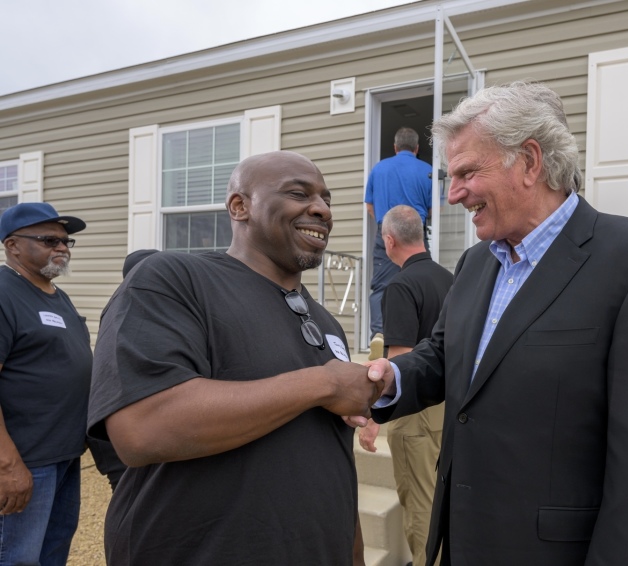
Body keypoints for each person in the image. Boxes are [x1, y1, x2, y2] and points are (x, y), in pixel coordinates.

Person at [361, 82, 628, 565]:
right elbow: (444, 357)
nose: (454, 194)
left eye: (466, 173)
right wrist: (388, 379)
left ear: (529, 161)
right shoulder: (477, 263)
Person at [88, 150, 382, 565]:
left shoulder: (326, 323)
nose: (320, 208)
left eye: (326, 199)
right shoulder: (174, 280)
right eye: (299, 193)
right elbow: (141, 428)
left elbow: (330, 459)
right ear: (239, 206)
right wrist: (326, 383)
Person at [357, 205, 452, 566]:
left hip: (415, 415)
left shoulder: (400, 286)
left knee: (419, 503)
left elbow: (400, 363)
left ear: (389, 240)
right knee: (440, 495)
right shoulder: (450, 278)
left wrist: (373, 420)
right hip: (447, 402)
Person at [0, 202, 90, 566]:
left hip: (63, 455)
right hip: (25, 458)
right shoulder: (4, 293)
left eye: (66, 241)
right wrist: (7, 465)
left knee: (52, 553)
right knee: (17, 557)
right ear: (12, 246)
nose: (62, 248)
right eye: (49, 239)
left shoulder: (57, 295)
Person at [87, 249, 160, 492]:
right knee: (132, 493)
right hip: (120, 425)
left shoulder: (133, 305)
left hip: (121, 423)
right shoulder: (131, 311)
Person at [364, 127, 433, 357]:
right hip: (415, 233)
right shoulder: (427, 171)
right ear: (416, 148)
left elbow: (370, 206)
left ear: (395, 147)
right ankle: (421, 336)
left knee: (383, 284)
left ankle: (379, 335)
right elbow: (436, 208)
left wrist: (388, 228)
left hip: (388, 234)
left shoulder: (379, 169)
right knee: (421, 282)